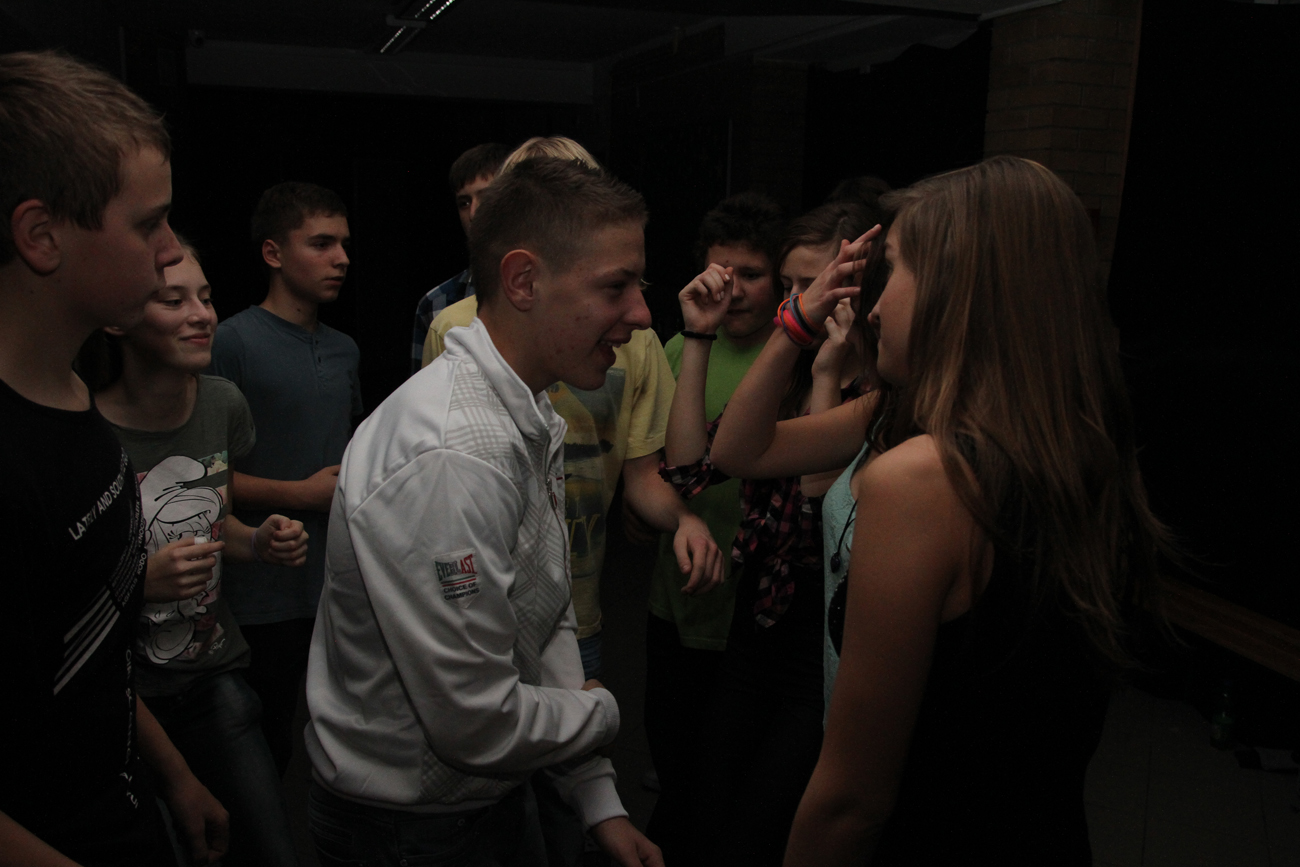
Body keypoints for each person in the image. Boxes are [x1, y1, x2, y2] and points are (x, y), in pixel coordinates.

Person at [711, 156, 1169, 866]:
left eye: (895, 271)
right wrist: (797, 324)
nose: (873, 306)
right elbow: (741, 449)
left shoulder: (924, 478)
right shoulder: (1083, 445)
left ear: (962, 293)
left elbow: (852, 801)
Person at [305, 157, 664, 867]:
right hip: (409, 829)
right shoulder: (454, 453)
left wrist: (597, 796)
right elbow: (475, 722)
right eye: (615, 286)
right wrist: (602, 713)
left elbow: (544, 612)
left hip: (483, 796)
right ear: (524, 281)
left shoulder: (523, 409)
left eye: (640, 286)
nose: (642, 314)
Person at [0, 50, 226, 867]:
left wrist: (173, 774)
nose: (168, 251)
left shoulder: (74, 398)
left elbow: (91, 652)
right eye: (147, 223)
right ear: (41, 236)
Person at [423, 136, 725, 686]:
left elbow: (644, 470)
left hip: (575, 610)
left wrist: (683, 518)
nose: (638, 312)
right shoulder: (456, 332)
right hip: (481, 613)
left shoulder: (631, 340)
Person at [658, 202, 874, 867]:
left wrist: (827, 373)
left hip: (821, 641)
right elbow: (692, 468)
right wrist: (698, 337)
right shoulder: (782, 376)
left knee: (765, 825)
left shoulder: (880, 391)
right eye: (788, 285)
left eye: (810, 285)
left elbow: (818, 496)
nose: (794, 302)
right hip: (755, 626)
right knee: (707, 810)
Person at [90, 238, 308, 866]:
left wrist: (258, 541)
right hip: (125, 694)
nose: (201, 315)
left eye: (206, 298)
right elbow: (62, 590)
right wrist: (140, 580)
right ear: (120, 319)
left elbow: (217, 523)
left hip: (213, 676)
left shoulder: (222, 404)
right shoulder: (89, 431)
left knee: (269, 848)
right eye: (173, 301)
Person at [641, 190, 786, 861]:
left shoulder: (792, 356)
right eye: (722, 273)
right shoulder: (678, 348)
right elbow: (658, 467)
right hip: (678, 602)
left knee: (732, 789)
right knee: (675, 763)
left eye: (751, 274)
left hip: (755, 614)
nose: (735, 290)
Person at [208, 181, 363, 776]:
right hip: (257, 590)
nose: (340, 258)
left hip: (334, 581)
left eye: (343, 244)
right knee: (261, 743)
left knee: (337, 740)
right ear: (273, 253)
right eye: (321, 244)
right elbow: (200, 477)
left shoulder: (345, 349)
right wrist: (300, 495)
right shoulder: (231, 342)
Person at [410, 142, 512, 373]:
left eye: (486, 196)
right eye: (464, 203)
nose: (474, 212)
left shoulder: (549, 290)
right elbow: (423, 393)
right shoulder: (436, 303)